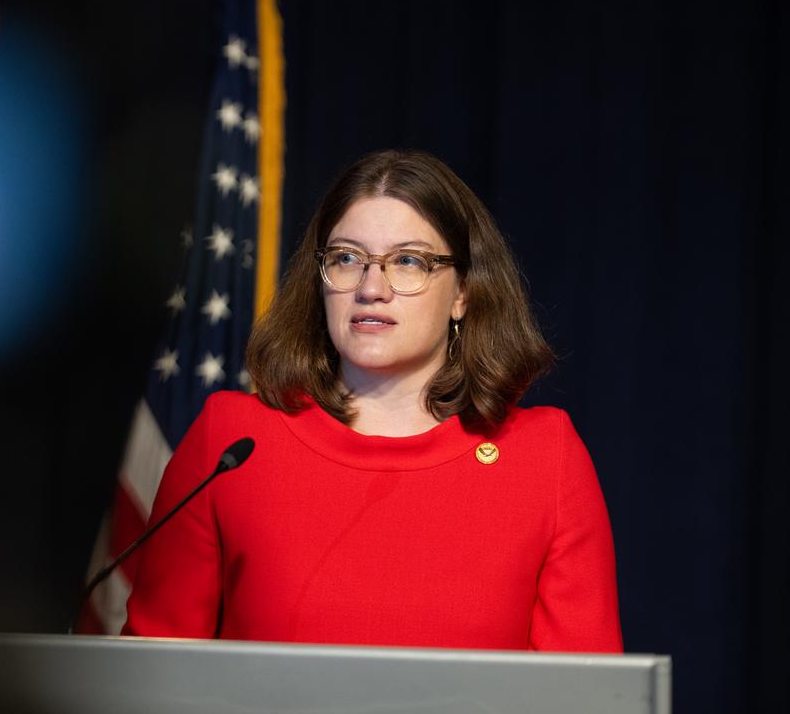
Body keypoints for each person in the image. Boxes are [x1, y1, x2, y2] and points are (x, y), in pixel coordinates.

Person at [122, 150, 622, 652]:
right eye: (346, 258)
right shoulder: (232, 442)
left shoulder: (542, 456)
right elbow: (150, 675)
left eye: (408, 261)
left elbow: (591, 695)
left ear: (463, 293)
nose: (371, 288)